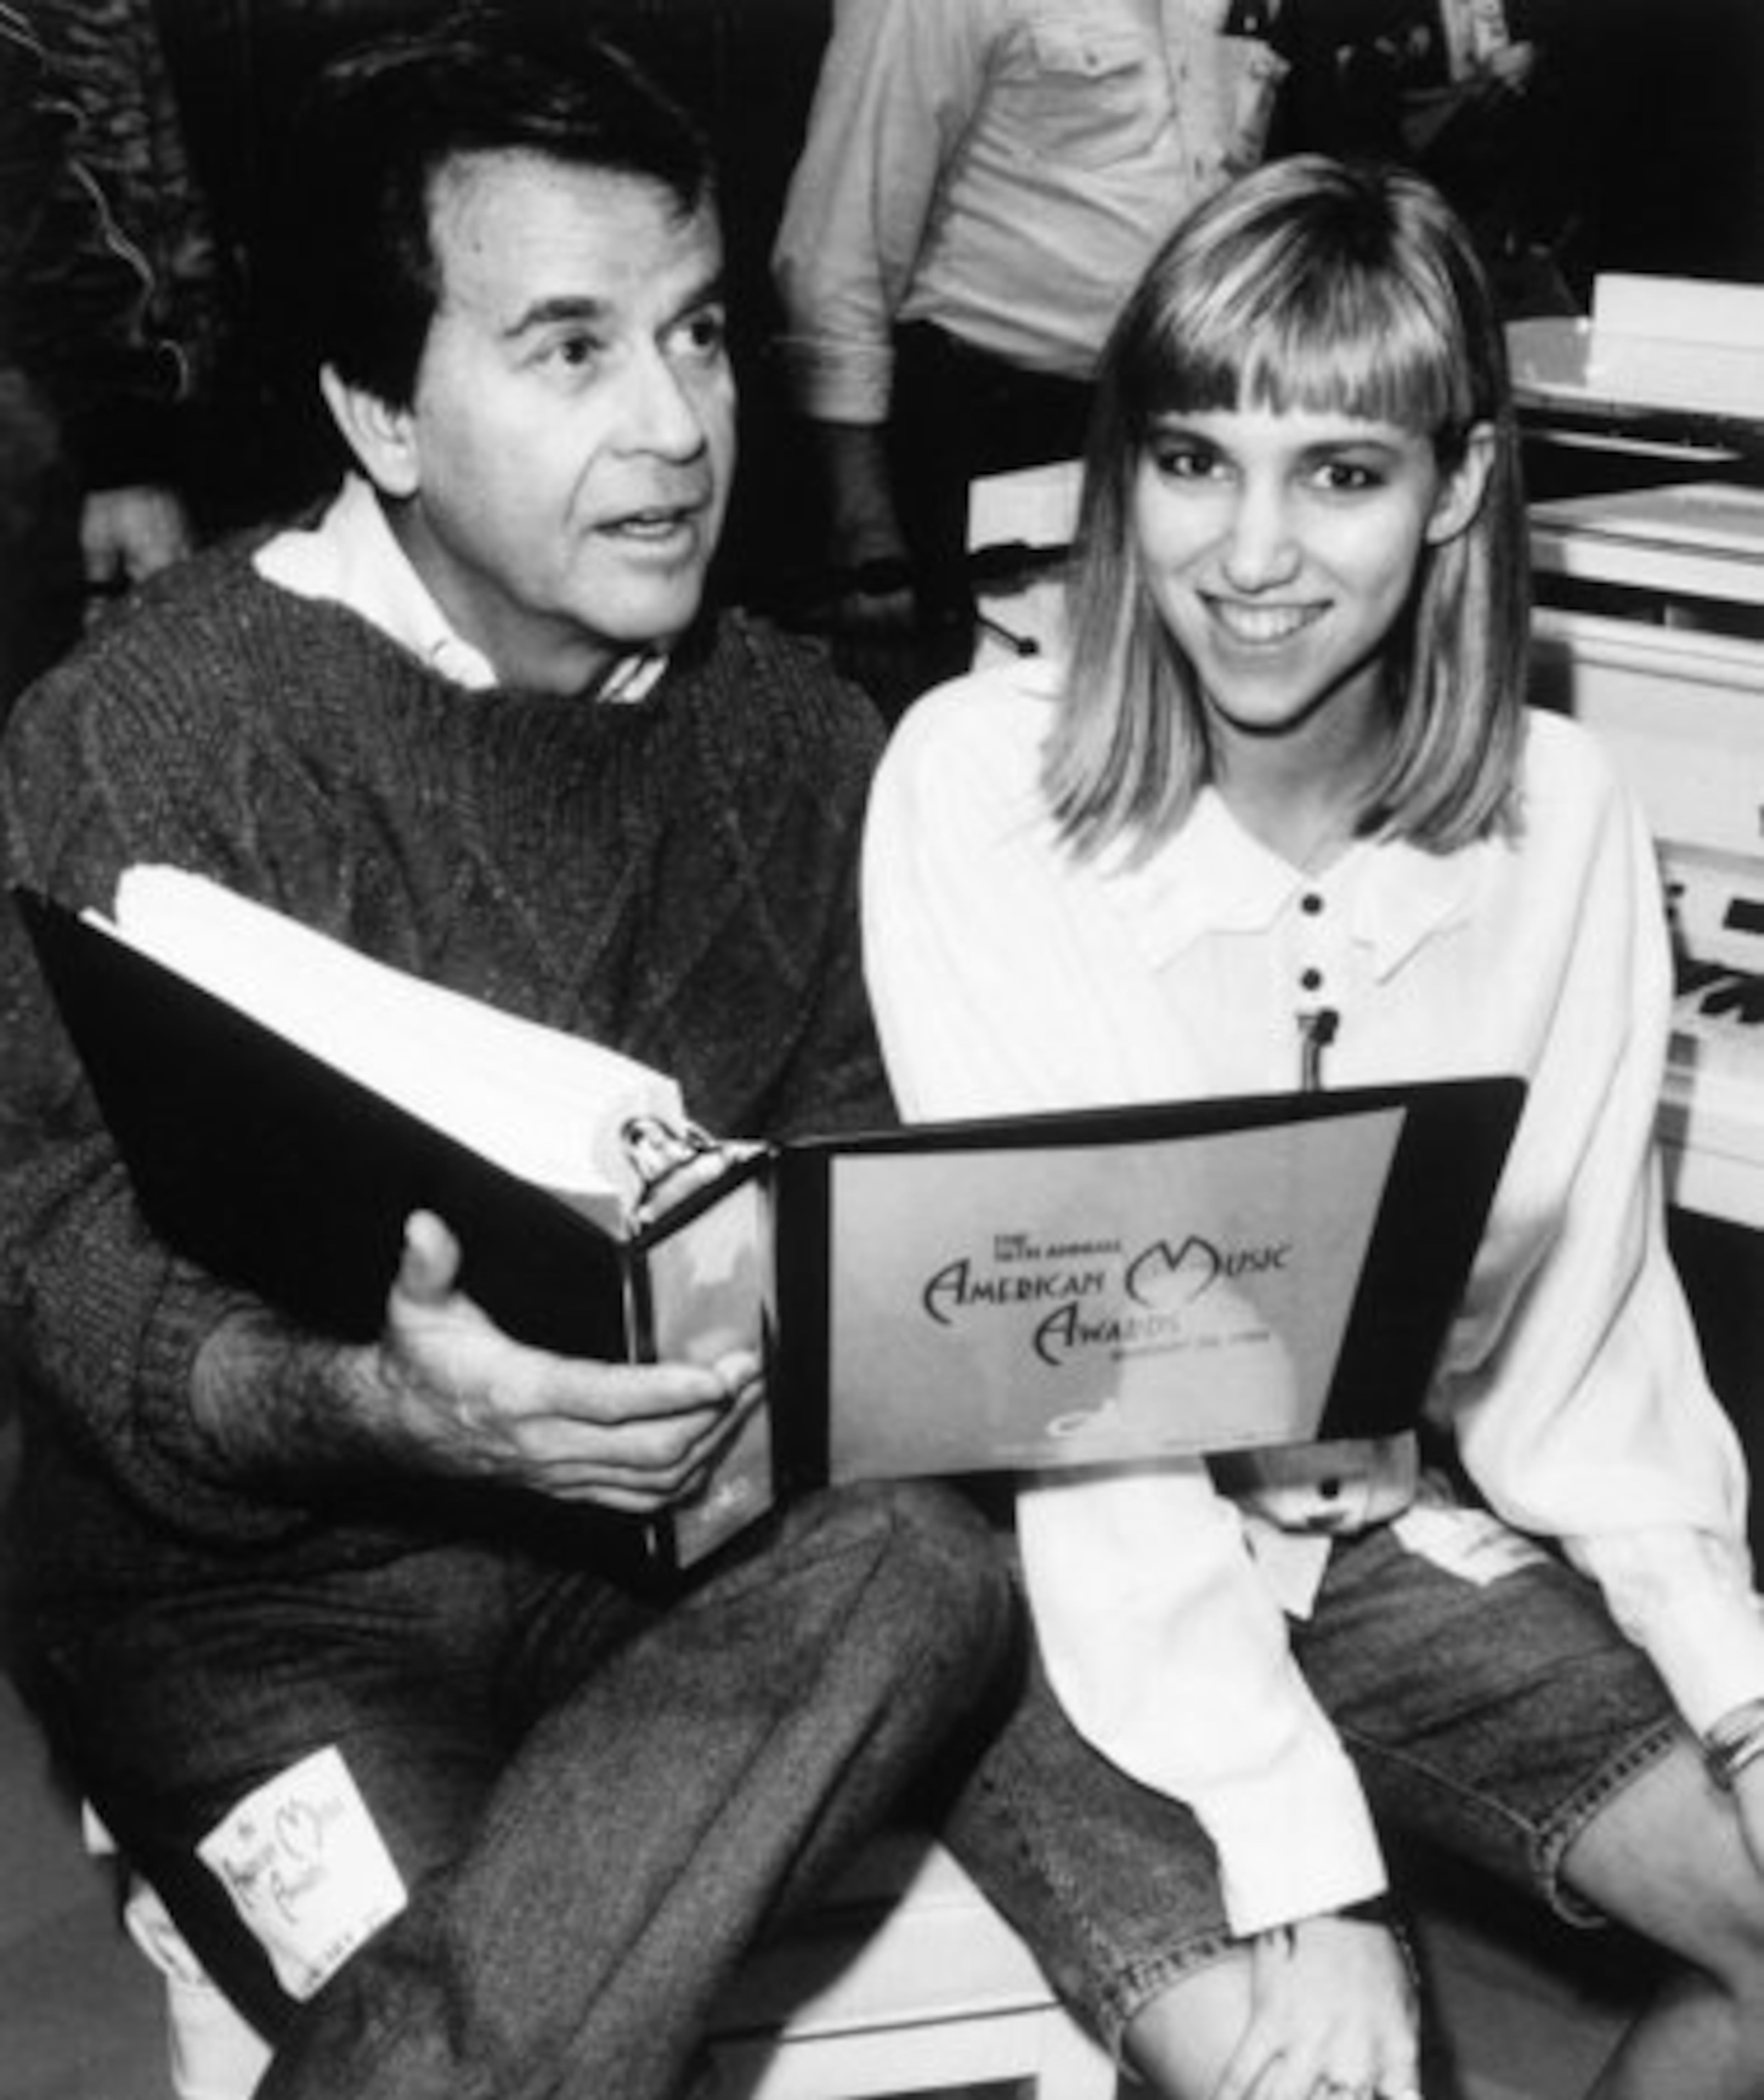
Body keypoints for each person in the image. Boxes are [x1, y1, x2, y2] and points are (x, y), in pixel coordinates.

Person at [0, 13, 1023, 2097]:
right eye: (571, 348)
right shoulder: (146, 731)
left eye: (699, 333)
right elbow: (57, 1254)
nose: (677, 425)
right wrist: (375, 1402)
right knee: (514, 2013)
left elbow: (851, 1163)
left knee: (923, 1564)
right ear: (378, 410)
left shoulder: (799, 737)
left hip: (669, 1567)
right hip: (248, 1613)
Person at [864, 153, 1764, 2100]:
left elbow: (1587, 1359)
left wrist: (1741, 1693)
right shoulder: (978, 786)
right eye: (1194, 460)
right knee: (1325, 2081)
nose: (1250, 554)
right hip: (1046, 1585)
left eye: (1340, 473)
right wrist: (1308, 1864)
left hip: (1359, 1540)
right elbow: (1078, 1405)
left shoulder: (1567, 816)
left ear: (1454, 485)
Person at [769, 0, 1287, 712]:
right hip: (988, 439)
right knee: (1000, 734)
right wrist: (864, 528)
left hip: (1173, 437)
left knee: (1150, 727)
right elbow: (837, 252)